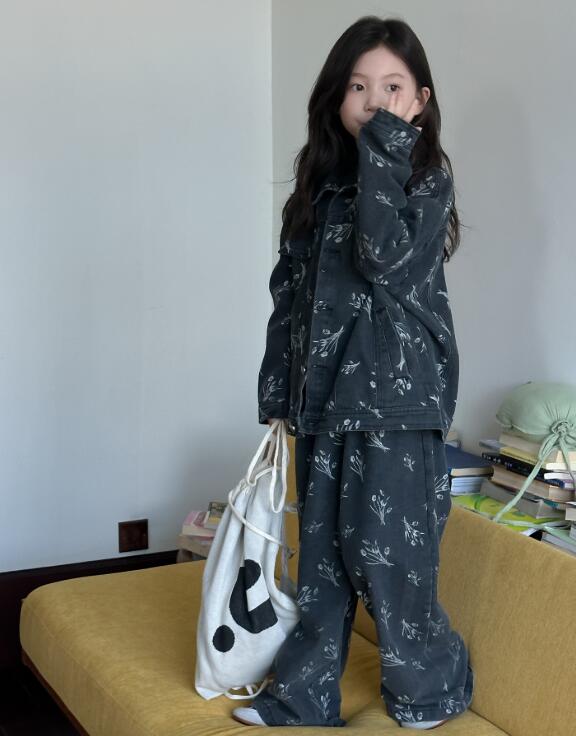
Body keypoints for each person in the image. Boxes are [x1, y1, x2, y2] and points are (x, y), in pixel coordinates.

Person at [233, 14, 475, 730]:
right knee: (321, 567)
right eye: (359, 87)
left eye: (392, 87)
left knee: (391, 563)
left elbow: (384, 256)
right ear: (336, 96)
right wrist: (278, 395)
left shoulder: (426, 181)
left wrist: (387, 151)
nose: (374, 101)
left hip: (398, 403)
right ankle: (302, 697)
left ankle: (430, 691)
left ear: (420, 101)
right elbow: (288, 299)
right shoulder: (317, 189)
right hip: (323, 402)